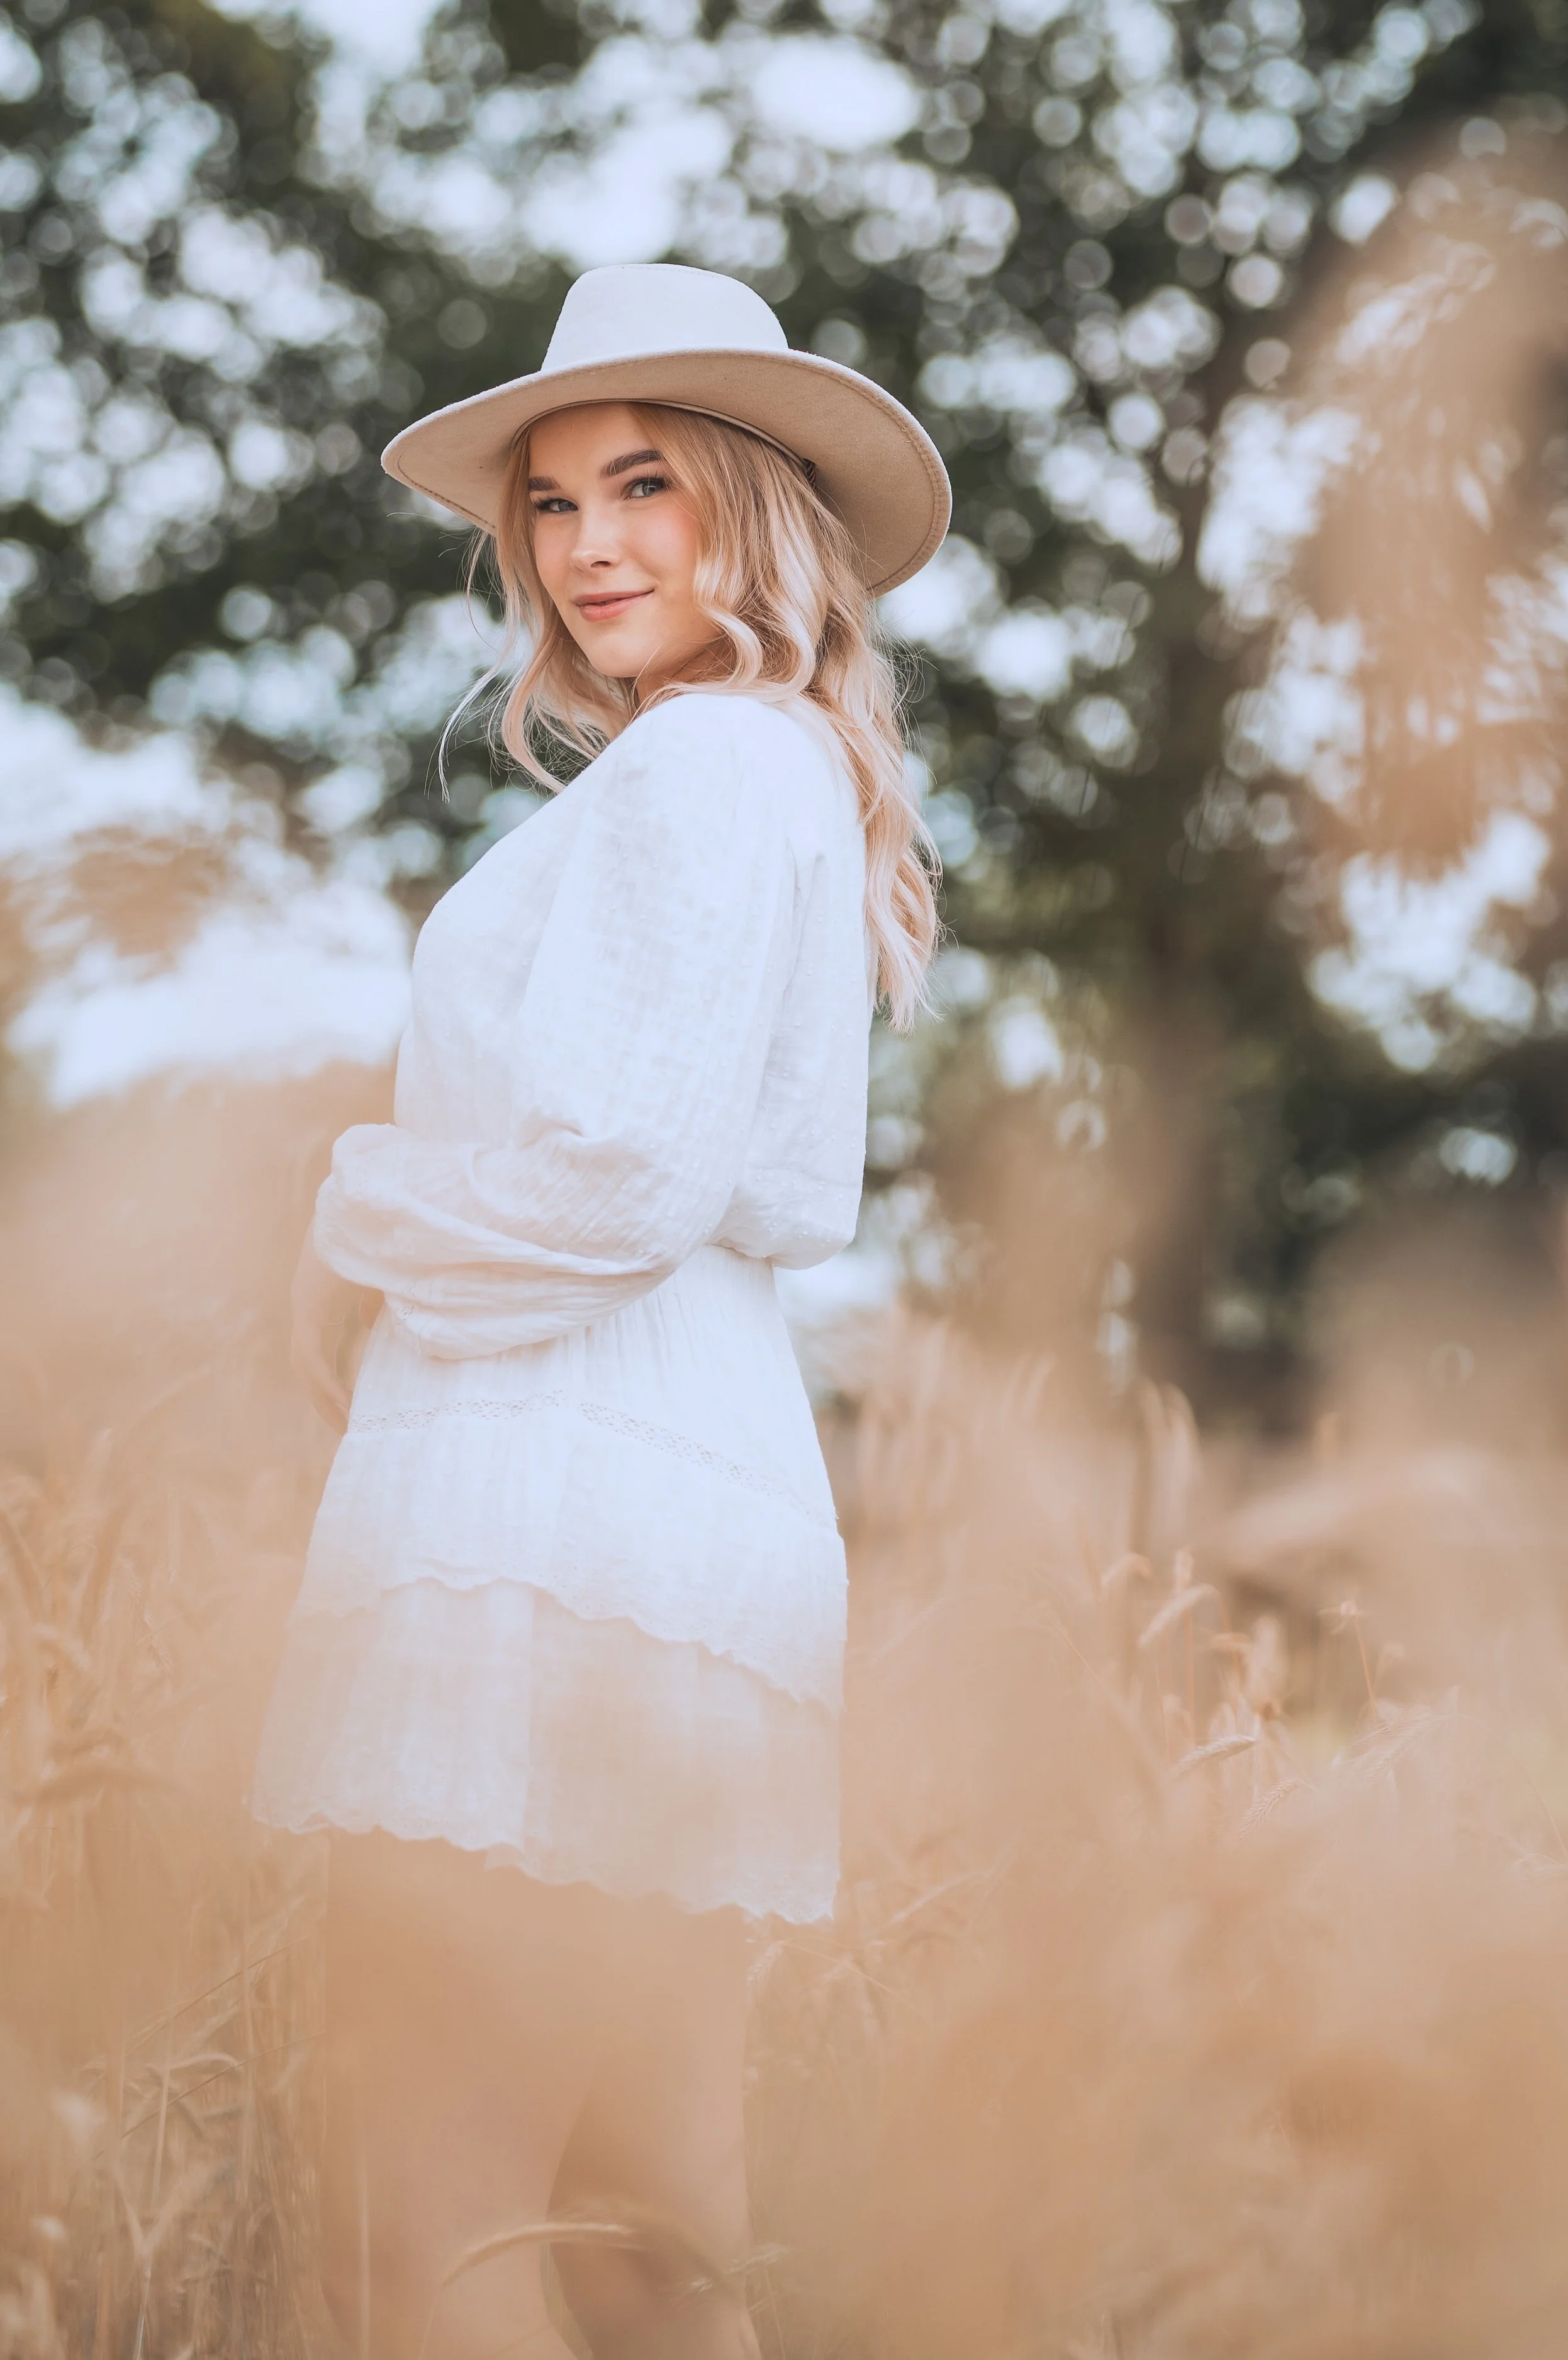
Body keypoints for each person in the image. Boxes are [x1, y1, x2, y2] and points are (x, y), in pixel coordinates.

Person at [250, 261, 949, 2360]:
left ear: (755, 510)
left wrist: (345, 1214)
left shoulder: (709, 769)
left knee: (420, 2230)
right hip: (682, 1511)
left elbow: (620, 1177)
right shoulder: (764, 776)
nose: (588, 545)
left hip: (556, 1526)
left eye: (645, 484)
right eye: (551, 504)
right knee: (648, 2241)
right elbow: (761, 1186)